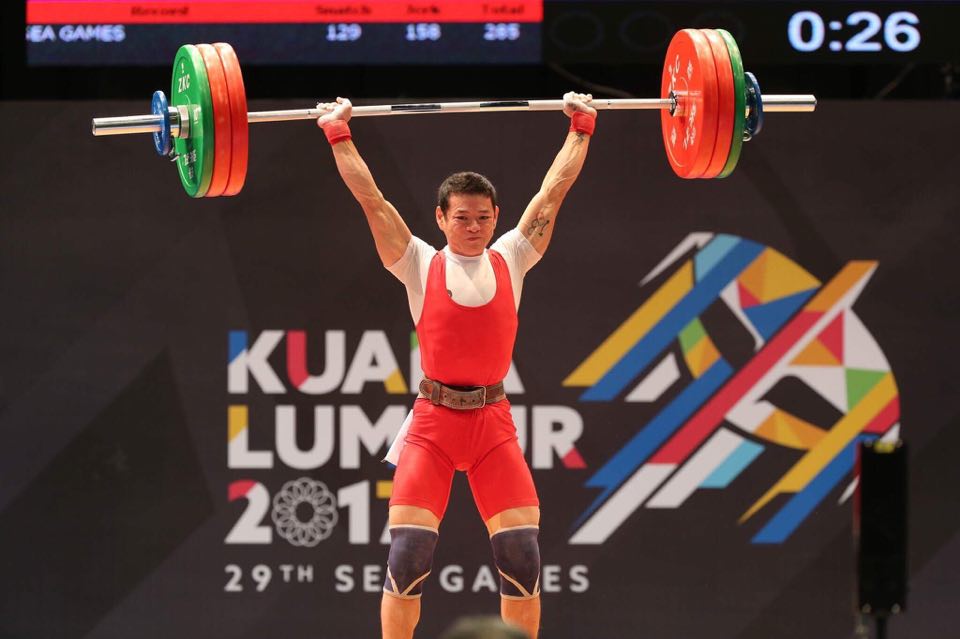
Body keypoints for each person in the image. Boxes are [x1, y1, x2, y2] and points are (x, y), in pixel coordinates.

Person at [316, 91, 596, 639]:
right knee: (407, 557)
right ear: (441, 218)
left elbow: (553, 191)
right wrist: (337, 131)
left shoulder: (513, 255)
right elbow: (372, 200)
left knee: (523, 558)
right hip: (433, 425)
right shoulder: (419, 262)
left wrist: (581, 127)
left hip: (492, 425)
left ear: (496, 218)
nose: (474, 226)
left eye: (483, 217)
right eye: (462, 217)